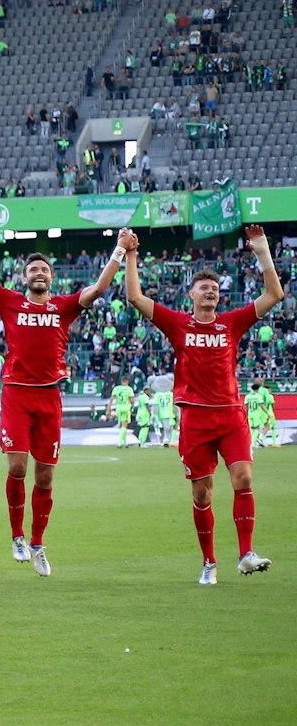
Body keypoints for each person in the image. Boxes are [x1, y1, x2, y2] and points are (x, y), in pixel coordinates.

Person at [0, 219, 128, 576]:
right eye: (32, 268)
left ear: (51, 277)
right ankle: (17, 536)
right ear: (24, 277)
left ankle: (37, 543)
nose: (38, 273)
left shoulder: (64, 306)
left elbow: (98, 289)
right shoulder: (10, 302)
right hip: (17, 395)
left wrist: (121, 249)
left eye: (43, 269)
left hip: (49, 398)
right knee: (17, 466)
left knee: (45, 477)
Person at [125, 224, 282, 583]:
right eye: (204, 288)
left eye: (214, 289)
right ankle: (209, 561)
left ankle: (245, 553)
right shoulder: (178, 324)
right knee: (202, 491)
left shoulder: (232, 324)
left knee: (243, 478)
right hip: (195, 421)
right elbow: (134, 296)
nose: (211, 292)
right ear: (191, 294)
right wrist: (131, 254)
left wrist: (261, 250)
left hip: (231, 417)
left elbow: (274, 294)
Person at [246, 379, 278, 448]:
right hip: (262, 410)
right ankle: (260, 438)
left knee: (254, 428)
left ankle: (254, 442)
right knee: (267, 425)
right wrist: (267, 411)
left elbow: (246, 404)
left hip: (252, 412)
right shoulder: (264, 390)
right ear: (261, 383)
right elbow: (268, 400)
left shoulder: (251, 392)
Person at [110, 377, 138, 448]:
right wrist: (132, 405)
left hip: (118, 408)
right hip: (126, 408)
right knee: (124, 425)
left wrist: (109, 408)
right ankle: (120, 442)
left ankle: (125, 442)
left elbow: (111, 399)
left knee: (122, 425)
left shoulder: (116, 388)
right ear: (127, 381)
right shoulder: (129, 389)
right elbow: (132, 400)